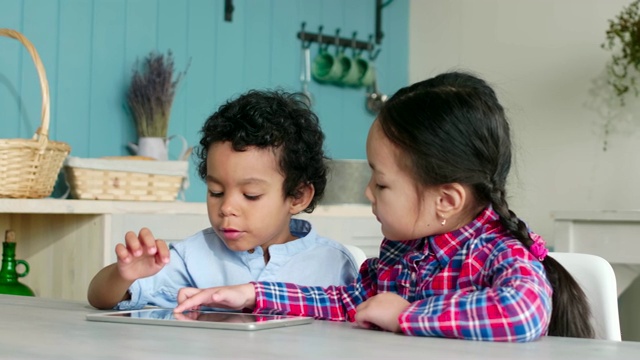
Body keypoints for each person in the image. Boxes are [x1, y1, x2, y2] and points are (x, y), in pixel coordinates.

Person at [173, 72, 595, 342]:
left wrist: (408, 315)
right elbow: (345, 302)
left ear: (446, 200)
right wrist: (253, 295)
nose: (368, 194)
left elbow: (520, 314)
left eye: (381, 182)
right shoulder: (402, 253)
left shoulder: (498, 253)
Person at [87, 90, 359, 310]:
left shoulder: (334, 265)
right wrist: (125, 274)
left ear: (297, 196)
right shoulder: (194, 256)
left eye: (250, 195)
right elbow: (99, 297)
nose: (226, 208)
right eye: (216, 191)